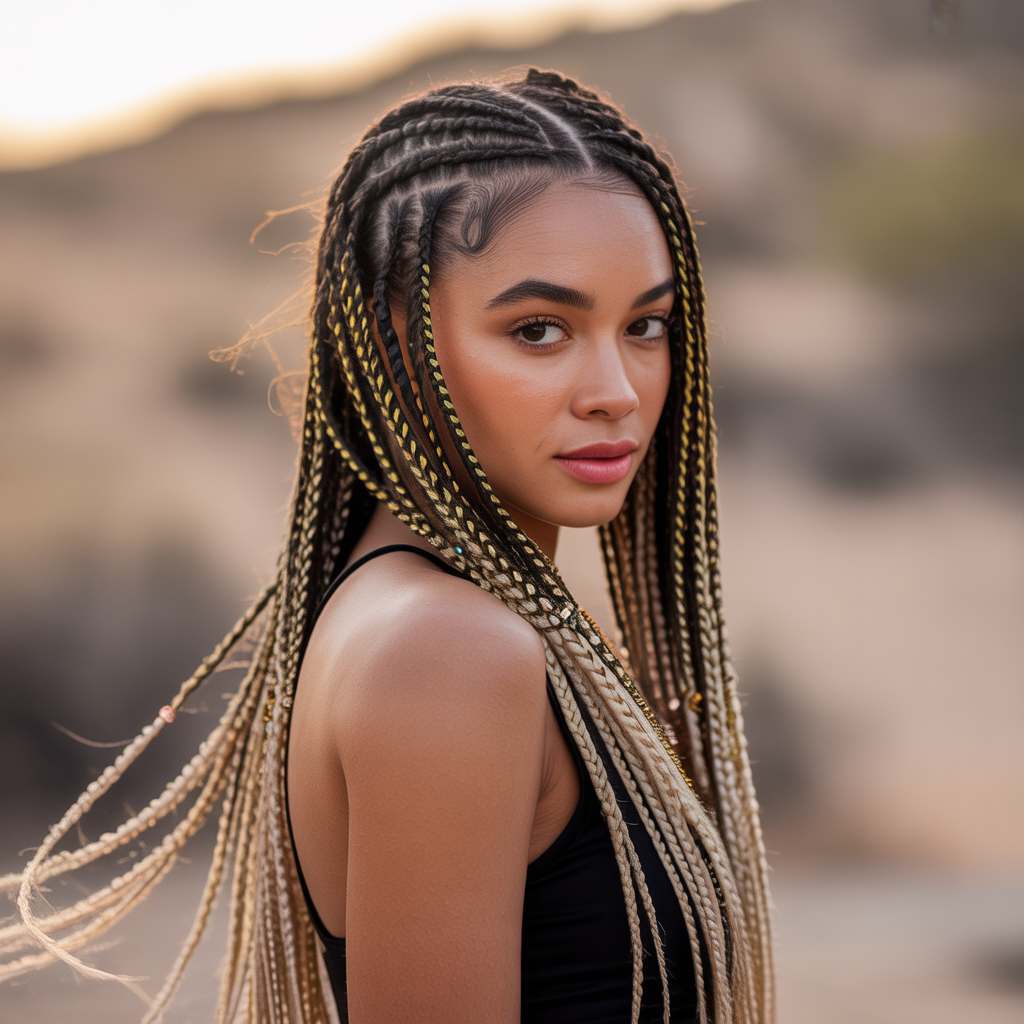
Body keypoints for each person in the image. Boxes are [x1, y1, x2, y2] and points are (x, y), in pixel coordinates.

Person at [1, 69, 773, 1023]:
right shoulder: (448, 651)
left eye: (645, 325)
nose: (617, 389)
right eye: (540, 330)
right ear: (390, 338)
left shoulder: (449, 622)